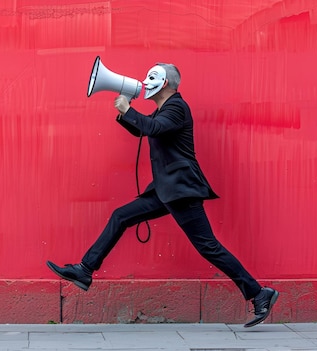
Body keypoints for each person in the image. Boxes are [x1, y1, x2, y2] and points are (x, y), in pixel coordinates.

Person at [46, 62, 278, 328]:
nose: (145, 82)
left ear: (164, 83)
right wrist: (125, 114)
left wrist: (129, 111)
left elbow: (153, 129)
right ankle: (85, 270)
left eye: (152, 77)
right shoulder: (163, 110)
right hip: (166, 189)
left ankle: (260, 294)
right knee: (121, 216)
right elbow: (144, 129)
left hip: (181, 190)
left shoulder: (177, 107)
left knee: (209, 247)